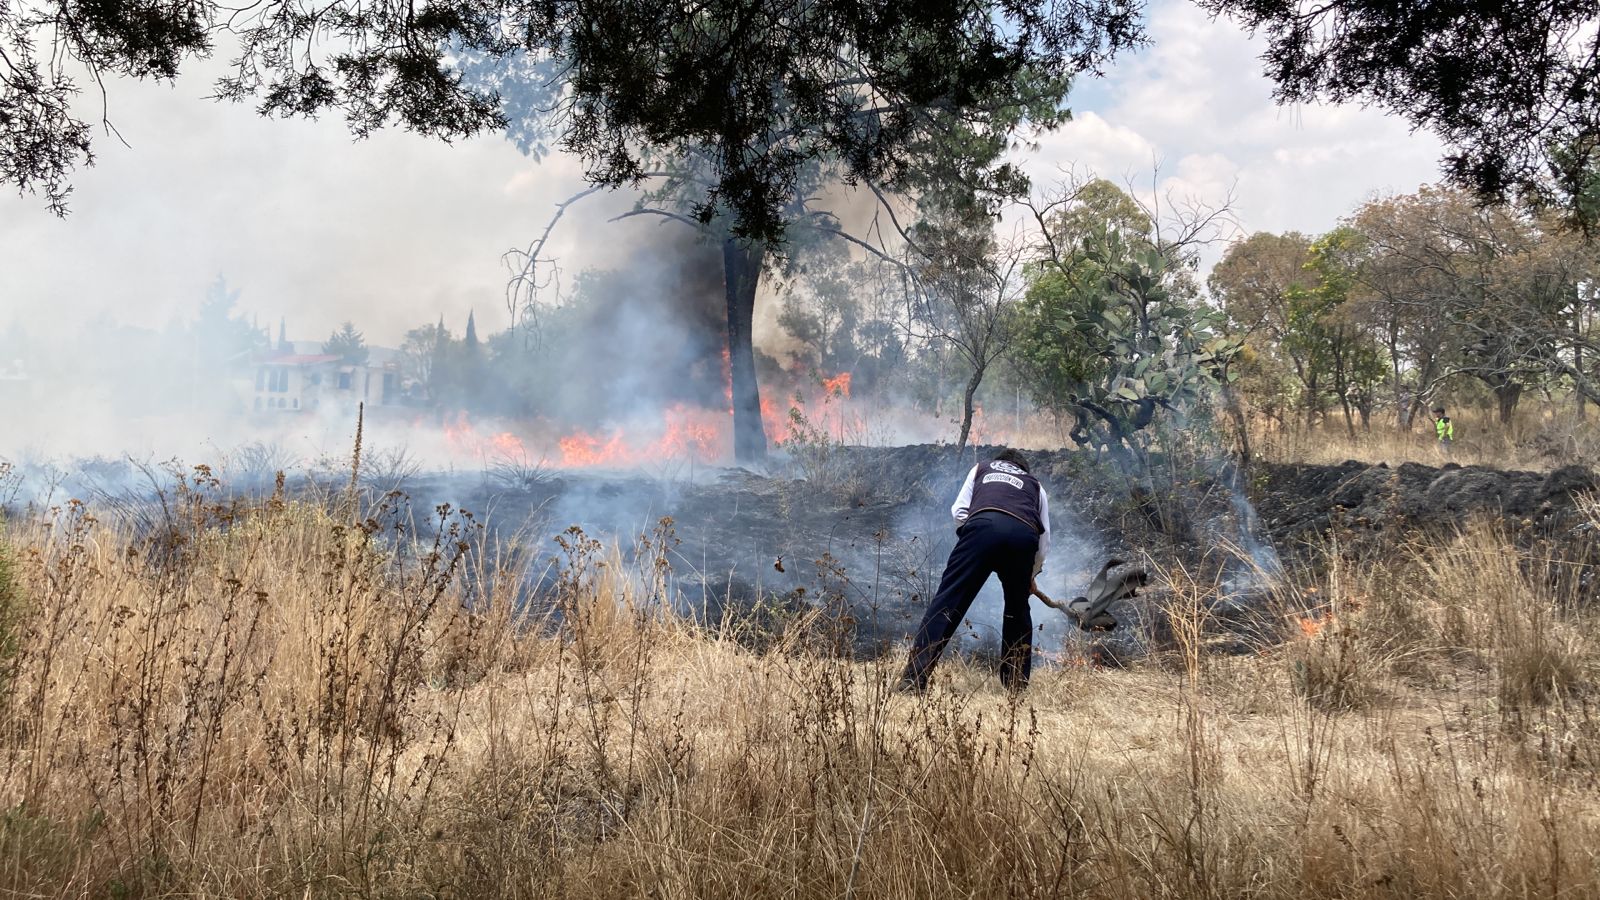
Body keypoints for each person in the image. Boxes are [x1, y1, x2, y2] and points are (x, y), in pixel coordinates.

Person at [898, 448, 1051, 693]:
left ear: (1000, 461)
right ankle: (1015, 688)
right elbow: (1043, 544)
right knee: (1018, 611)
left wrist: (974, 536)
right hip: (1022, 538)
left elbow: (958, 511)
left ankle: (913, 681)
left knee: (948, 602)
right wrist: (1030, 575)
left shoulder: (982, 468)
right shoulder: (1036, 486)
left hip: (982, 528)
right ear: (1023, 469)